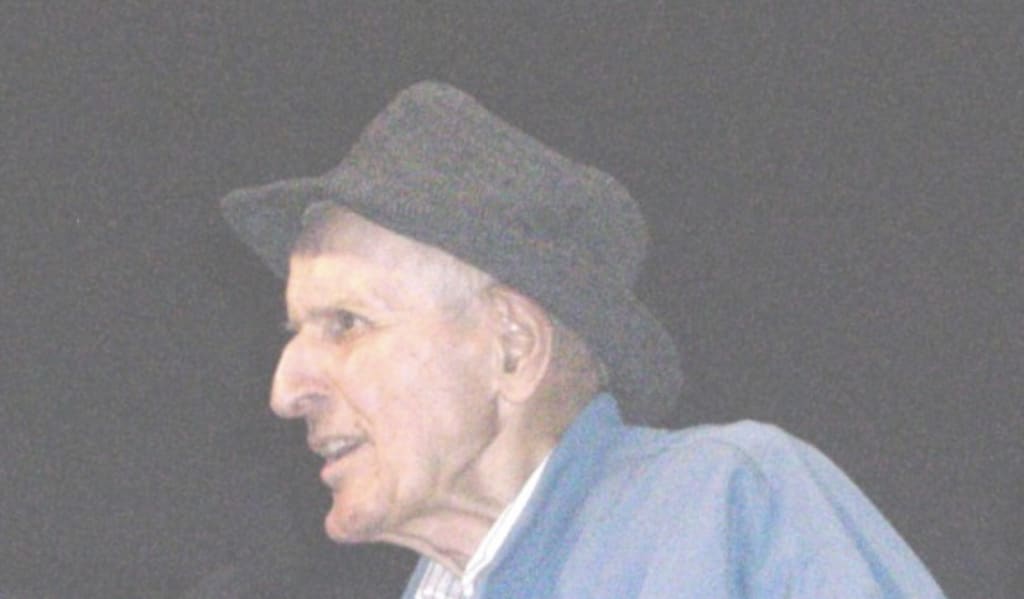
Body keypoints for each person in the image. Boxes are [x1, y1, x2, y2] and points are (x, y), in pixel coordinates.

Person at [213, 81, 945, 598]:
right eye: (295, 332)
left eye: (346, 324)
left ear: (512, 347)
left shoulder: (726, 506)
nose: (285, 389)